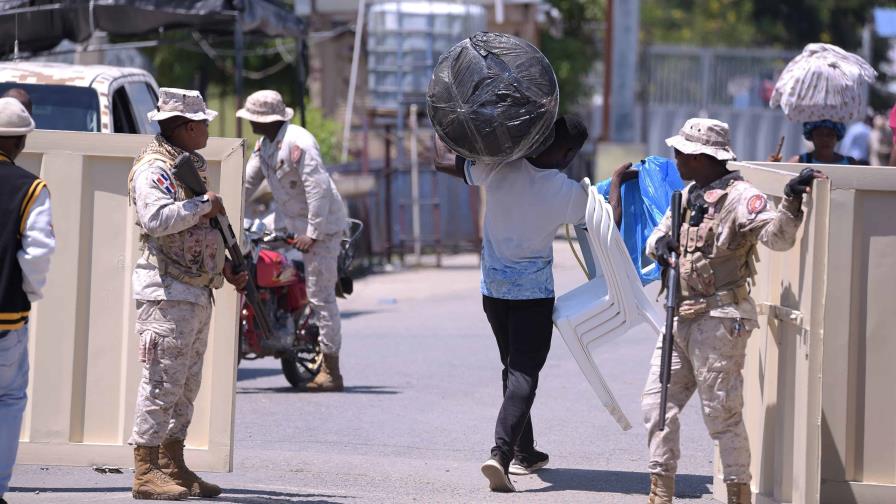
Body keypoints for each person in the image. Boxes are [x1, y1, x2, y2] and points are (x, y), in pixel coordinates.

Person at [643, 118, 825, 504]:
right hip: (679, 315)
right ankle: (660, 491)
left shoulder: (742, 197)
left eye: (684, 152)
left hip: (720, 320)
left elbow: (777, 239)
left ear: (704, 157)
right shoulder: (688, 194)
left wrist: (792, 202)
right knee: (657, 406)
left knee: (721, 415)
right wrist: (660, 247)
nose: (676, 157)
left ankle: (738, 493)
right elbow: (656, 238)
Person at [434, 116, 589, 492]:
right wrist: (617, 182)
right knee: (523, 375)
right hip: (532, 297)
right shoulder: (565, 191)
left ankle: (525, 451)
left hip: (493, 292)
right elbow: (607, 218)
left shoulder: (499, 167)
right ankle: (500, 455)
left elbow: (442, 161)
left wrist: (448, 122)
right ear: (568, 154)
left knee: (512, 368)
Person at [127, 88, 247, 500]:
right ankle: (145, 471)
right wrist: (202, 207)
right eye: (204, 122)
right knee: (161, 384)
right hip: (166, 291)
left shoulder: (187, 165)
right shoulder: (154, 168)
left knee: (185, 386)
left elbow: (200, 231)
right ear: (187, 126)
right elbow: (156, 218)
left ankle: (172, 464)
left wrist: (226, 265)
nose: (209, 128)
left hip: (194, 290)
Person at [237, 90, 348, 392]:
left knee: (320, 296)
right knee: (249, 240)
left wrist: (312, 233)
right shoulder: (265, 147)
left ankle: (331, 370)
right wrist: (230, 216)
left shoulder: (300, 143)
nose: (250, 124)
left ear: (267, 120)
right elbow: (246, 184)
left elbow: (318, 189)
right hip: (288, 218)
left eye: (253, 119)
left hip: (321, 225)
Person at [0, 97, 53, 504]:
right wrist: (28, 294)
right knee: (8, 400)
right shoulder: (31, 187)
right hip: (6, 319)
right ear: (19, 143)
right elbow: (37, 253)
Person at [768, 119, 859, 165]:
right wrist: (774, 167)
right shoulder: (799, 161)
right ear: (811, 136)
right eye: (819, 134)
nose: (825, 139)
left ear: (837, 136)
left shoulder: (850, 163)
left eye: (830, 134)